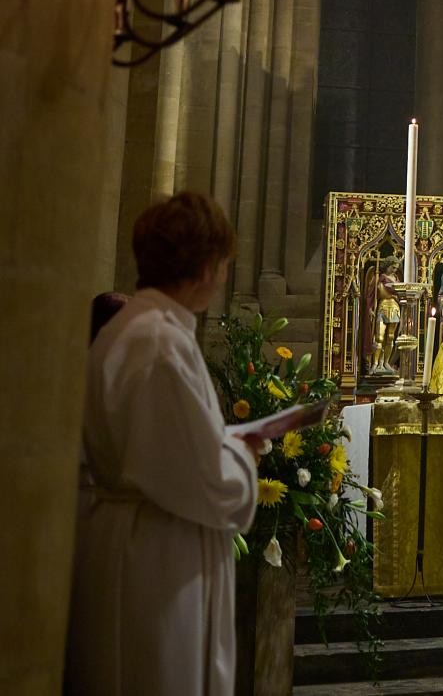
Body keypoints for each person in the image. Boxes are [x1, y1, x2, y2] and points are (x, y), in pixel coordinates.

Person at [66, 191, 260, 696]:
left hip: (142, 539)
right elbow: (208, 484)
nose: (220, 278)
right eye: (220, 264)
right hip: (158, 560)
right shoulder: (159, 342)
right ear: (203, 268)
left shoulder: (136, 329)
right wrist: (244, 453)